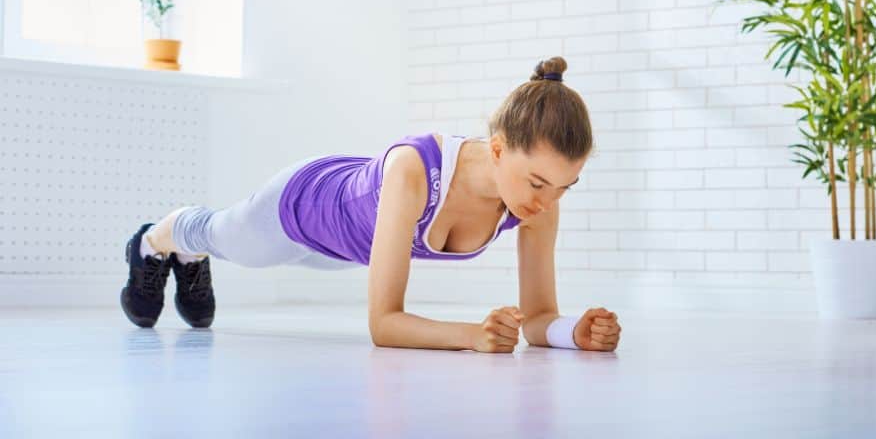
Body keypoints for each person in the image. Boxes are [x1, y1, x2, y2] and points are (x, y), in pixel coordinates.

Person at [120, 56, 622, 353]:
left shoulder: (539, 202)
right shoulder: (415, 170)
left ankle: (189, 259)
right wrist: (473, 335)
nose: (547, 201)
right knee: (224, 237)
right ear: (496, 149)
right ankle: (158, 238)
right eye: (538, 183)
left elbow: (537, 319)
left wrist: (570, 333)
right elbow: (383, 325)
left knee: (228, 247)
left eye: (564, 186)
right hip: (301, 210)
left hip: (346, 249)